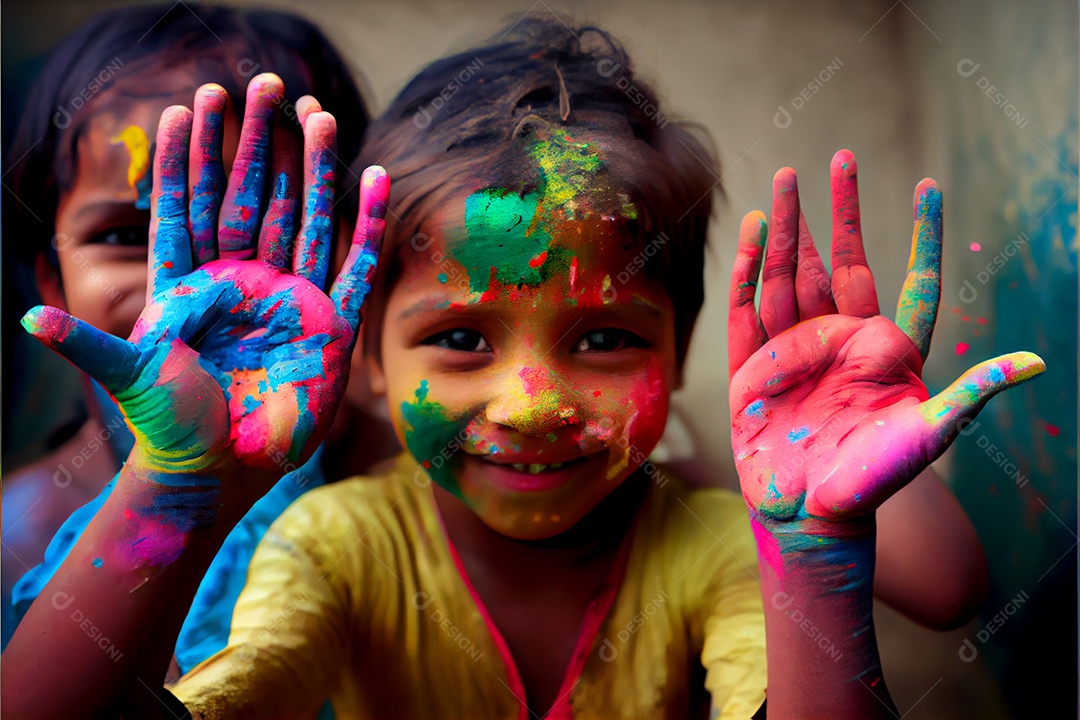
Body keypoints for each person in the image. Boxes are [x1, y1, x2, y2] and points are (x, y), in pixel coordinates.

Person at [4, 16, 1044, 719]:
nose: (534, 404)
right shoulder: (332, 541)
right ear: (358, 348)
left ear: (683, 351)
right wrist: (182, 488)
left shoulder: (707, 537)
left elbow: (948, 584)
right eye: (461, 338)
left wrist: (816, 548)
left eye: (602, 339)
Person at [0, 3, 388, 676]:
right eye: (125, 237)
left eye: (276, 226)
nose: (194, 290)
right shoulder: (19, 536)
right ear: (51, 283)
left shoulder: (403, 488)